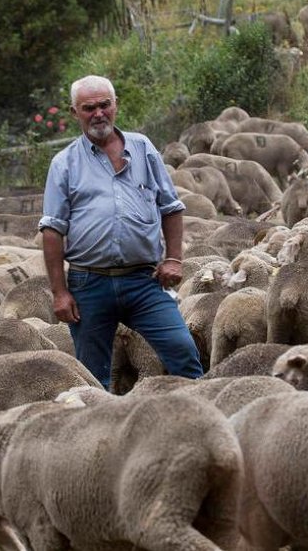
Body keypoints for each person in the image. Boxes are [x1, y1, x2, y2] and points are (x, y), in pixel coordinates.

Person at [38, 74, 203, 390]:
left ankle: (194, 425)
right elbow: (53, 230)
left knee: (183, 353)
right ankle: (99, 434)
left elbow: (171, 206)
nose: (98, 113)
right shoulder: (64, 164)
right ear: (75, 113)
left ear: (115, 105)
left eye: (104, 105)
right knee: (92, 377)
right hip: (89, 283)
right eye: (89, 108)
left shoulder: (143, 149)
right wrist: (60, 292)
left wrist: (174, 259)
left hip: (143, 280)